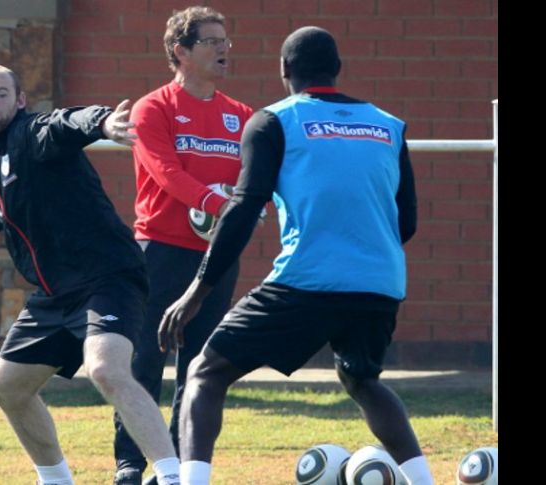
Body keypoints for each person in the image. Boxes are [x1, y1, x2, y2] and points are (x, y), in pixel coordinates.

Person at [159, 27, 435, 485]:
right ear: (337, 69)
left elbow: (243, 210)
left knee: (205, 372)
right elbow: (406, 222)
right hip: (380, 282)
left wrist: (196, 292)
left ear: (284, 69)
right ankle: (424, 480)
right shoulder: (389, 125)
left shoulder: (272, 121)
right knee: (362, 379)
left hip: (306, 281)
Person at [0, 64, 180, 485]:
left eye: (1, 94)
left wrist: (103, 123)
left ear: (20, 100)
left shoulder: (32, 134)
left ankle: (173, 477)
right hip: (55, 295)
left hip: (106, 278)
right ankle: (55, 479)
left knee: (106, 369)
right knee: (7, 387)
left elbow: (66, 123)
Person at [111, 7, 253, 485]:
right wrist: (219, 204)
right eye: (212, 41)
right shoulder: (154, 108)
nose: (224, 48)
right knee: (143, 361)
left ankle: (176, 466)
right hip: (159, 251)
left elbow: (254, 180)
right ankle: (131, 463)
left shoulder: (241, 116)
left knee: (198, 366)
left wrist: (250, 206)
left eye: (225, 40)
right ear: (181, 52)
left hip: (217, 256)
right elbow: (165, 172)